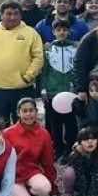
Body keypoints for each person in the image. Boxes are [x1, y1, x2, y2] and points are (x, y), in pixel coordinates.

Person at [0, 0, 44, 124]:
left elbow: (38, 57)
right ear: (1, 15)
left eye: (16, 13)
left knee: (25, 126)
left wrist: (28, 76)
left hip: (23, 89)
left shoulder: (31, 33)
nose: (12, 17)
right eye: (8, 13)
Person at [3, 98, 58, 196]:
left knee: (44, 188)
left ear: (36, 111)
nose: (28, 114)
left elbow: (48, 161)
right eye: (25, 111)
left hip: (31, 172)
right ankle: (11, 195)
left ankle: (26, 191)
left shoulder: (43, 134)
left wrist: (53, 186)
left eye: (31, 110)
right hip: (13, 176)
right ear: (18, 113)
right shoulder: (7, 133)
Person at [39, 19, 78, 161]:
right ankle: (57, 148)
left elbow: (77, 71)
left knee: (71, 124)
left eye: (65, 30)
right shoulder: (48, 50)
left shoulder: (74, 49)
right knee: (54, 124)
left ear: (69, 32)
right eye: (58, 30)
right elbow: (43, 72)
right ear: (53, 32)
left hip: (70, 93)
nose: (62, 32)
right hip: (52, 93)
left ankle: (70, 149)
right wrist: (43, 90)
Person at [60, 127, 98, 196]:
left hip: (94, 182)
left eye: (93, 139)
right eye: (86, 140)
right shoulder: (75, 154)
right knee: (69, 172)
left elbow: (96, 175)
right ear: (79, 143)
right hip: (79, 182)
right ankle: (68, 195)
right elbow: (80, 176)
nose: (90, 142)